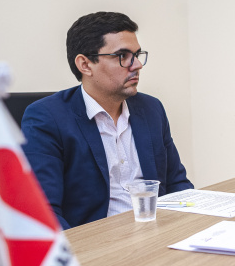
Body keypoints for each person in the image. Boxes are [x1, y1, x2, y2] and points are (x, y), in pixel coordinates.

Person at [22, 12, 192, 230]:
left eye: (137, 54)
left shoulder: (151, 109)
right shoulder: (47, 118)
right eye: (123, 55)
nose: (137, 64)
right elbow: (45, 213)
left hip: (157, 236)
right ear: (85, 64)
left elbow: (178, 185)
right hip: (96, 248)